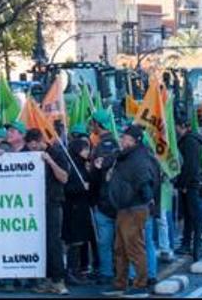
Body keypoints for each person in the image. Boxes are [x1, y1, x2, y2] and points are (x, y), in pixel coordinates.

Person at [102, 124, 156, 297]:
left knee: (134, 247)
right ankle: (120, 283)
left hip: (134, 208)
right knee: (120, 248)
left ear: (133, 141)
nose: (121, 139)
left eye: (125, 137)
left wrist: (142, 199)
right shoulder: (127, 156)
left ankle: (140, 284)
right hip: (124, 208)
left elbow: (144, 182)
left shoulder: (138, 158)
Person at [27, 128, 70, 295]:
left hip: (52, 203)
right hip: (33, 205)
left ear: (40, 141)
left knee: (53, 242)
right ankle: (45, 280)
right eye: (29, 147)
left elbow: (64, 178)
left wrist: (50, 161)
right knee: (39, 242)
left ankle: (58, 280)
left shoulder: (57, 153)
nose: (32, 149)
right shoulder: (29, 153)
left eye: (34, 146)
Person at [87, 113, 120, 286]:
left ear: (97, 124)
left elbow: (95, 176)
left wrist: (91, 196)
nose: (91, 126)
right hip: (118, 201)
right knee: (119, 241)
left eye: (92, 123)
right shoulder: (118, 144)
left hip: (104, 201)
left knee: (105, 241)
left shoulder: (100, 147)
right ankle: (120, 272)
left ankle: (107, 272)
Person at [63, 125, 94, 286]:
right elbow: (67, 187)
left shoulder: (82, 165)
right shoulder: (71, 166)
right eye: (84, 149)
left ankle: (78, 271)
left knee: (81, 241)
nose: (87, 152)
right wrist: (82, 187)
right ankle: (70, 271)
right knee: (74, 242)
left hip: (82, 208)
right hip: (73, 209)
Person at [173, 118, 202, 261]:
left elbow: (190, 166)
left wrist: (184, 184)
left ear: (182, 126)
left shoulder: (190, 142)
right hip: (187, 184)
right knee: (187, 216)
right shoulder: (188, 140)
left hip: (190, 185)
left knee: (193, 215)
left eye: (176, 127)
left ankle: (196, 244)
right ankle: (187, 243)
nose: (175, 130)